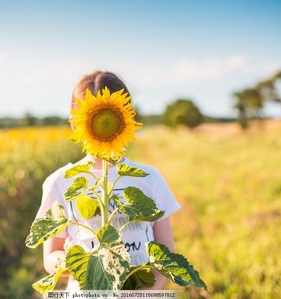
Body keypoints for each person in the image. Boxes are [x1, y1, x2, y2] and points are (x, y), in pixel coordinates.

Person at [35, 70, 181, 290]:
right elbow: (50, 257)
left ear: (128, 117)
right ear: (75, 124)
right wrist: (81, 263)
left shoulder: (149, 179)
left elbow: (167, 255)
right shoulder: (61, 182)